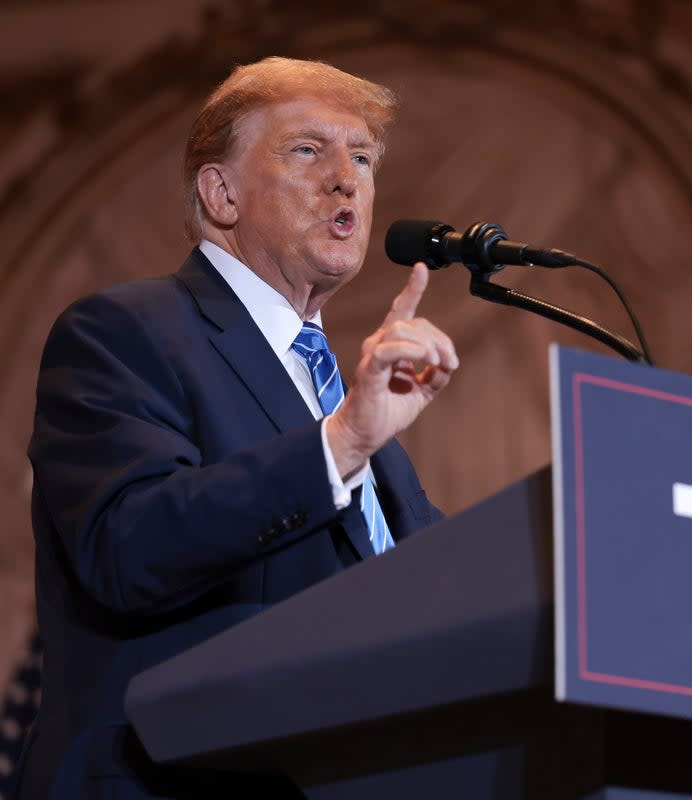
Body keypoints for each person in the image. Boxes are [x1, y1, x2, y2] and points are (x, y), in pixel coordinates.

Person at [15, 57, 458, 798]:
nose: (346, 178)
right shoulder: (125, 332)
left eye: (362, 157)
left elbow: (444, 598)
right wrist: (341, 443)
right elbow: (127, 545)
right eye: (308, 150)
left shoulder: (353, 412)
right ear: (220, 193)